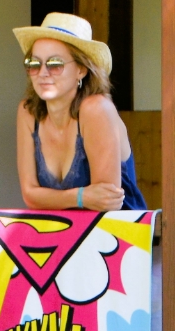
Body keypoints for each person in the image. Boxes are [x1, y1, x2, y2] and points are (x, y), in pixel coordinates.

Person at [13, 12, 147, 211]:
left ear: (81, 70)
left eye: (55, 64)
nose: (42, 72)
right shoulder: (28, 112)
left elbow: (107, 203)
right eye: (34, 64)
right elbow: (30, 195)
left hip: (117, 237)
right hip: (61, 236)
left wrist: (53, 198)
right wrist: (82, 196)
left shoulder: (96, 109)